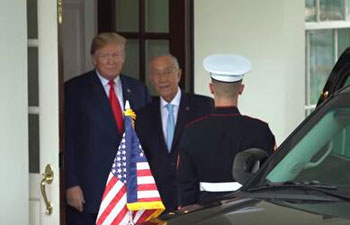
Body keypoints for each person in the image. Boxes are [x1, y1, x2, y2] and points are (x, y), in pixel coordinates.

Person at [64, 32, 151, 225]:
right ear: (94, 59)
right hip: (90, 189)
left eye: (116, 55)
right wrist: (71, 184)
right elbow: (67, 140)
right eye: (105, 56)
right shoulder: (75, 89)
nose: (111, 61)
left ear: (124, 57)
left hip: (131, 189)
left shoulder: (138, 89)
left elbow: (147, 137)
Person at [177, 54, 276, 207]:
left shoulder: (192, 131)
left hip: (204, 212)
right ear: (241, 89)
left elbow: (186, 185)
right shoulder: (260, 130)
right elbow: (270, 178)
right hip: (250, 210)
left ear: (211, 88)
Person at [135, 54, 214, 212]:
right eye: (156, 73)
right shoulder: (142, 115)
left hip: (194, 199)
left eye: (168, 72)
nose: (162, 79)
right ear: (151, 78)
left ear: (179, 74)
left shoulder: (203, 106)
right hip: (156, 201)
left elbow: (212, 151)